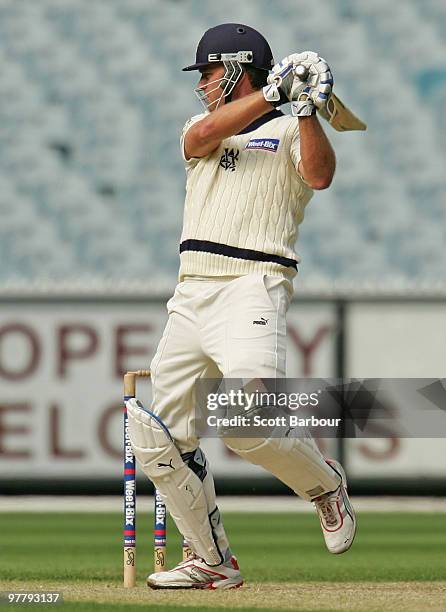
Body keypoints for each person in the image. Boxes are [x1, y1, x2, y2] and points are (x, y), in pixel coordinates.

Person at [127, 23, 356, 590]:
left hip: (253, 283)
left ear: (236, 69)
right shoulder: (202, 129)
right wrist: (276, 90)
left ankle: (325, 486)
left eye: (208, 73)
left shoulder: (286, 131)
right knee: (157, 436)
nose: (203, 85)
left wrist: (303, 107)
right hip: (191, 291)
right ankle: (212, 561)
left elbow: (321, 176)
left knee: (245, 422)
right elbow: (203, 134)